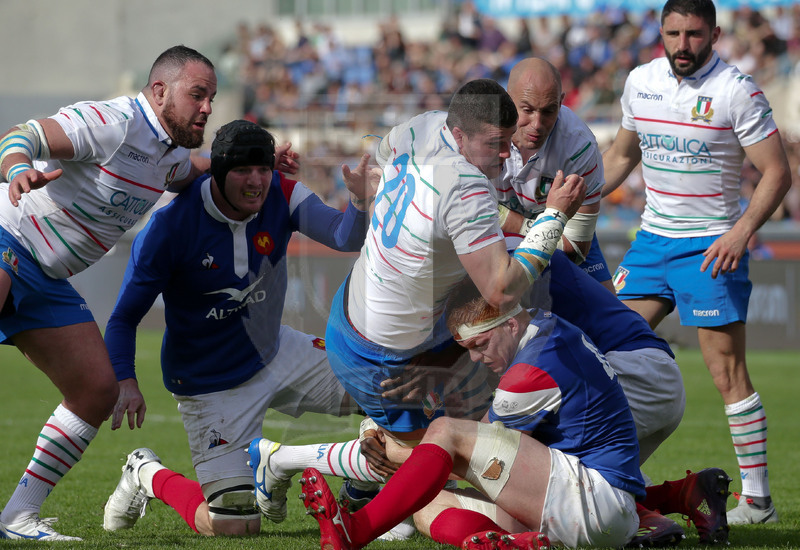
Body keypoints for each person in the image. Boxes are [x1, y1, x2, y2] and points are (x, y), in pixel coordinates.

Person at [247, 78, 586, 525]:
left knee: (461, 437)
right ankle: (281, 459)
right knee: (435, 469)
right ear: (460, 135)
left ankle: (370, 467)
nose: (506, 155)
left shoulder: (419, 128)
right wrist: (553, 217)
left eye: (508, 143)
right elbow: (500, 289)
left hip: (370, 314)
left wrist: (371, 191)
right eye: (495, 144)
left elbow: (383, 159)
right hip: (386, 355)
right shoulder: (467, 188)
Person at [99, 119, 372, 537]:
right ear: (218, 173)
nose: (257, 181)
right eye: (244, 170)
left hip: (276, 351)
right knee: (234, 524)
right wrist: (126, 380)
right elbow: (122, 318)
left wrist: (357, 201)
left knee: (384, 386)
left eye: (264, 168)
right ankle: (146, 473)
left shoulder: (282, 193)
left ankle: (359, 486)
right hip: (208, 385)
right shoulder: (168, 229)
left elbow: (342, 236)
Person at [0, 45, 220, 541]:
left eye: (211, 97)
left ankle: (17, 517)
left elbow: (186, 174)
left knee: (96, 392)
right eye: (198, 95)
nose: (207, 107)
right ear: (159, 91)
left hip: (48, 276)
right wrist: (19, 169)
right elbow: (20, 136)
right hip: (6, 237)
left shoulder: (171, 151)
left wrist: (245, 160)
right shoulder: (112, 121)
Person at [602, 0, 791, 525]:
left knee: (726, 372)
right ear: (660, 31)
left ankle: (758, 501)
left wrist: (741, 231)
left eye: (694, 34)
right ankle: (612, 476)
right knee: (602, 351)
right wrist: (572, 196)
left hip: (711, 246)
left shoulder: (737, 90)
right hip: (651, 243)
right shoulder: (640, 81)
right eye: (674, 33)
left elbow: (776, 173)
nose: (683, 45)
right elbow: (621, 155)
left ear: (714, 33)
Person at [299, 284, 646, 549]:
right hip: (582, 499)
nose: (477, 358)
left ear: (510, 324)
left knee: (444, 433)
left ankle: (356, 530)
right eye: (469, 350)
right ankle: (515, 545)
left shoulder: (529, 373)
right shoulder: (543, 326)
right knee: (426, 506)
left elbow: (460, 451)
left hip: (594, 501)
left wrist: (380, 436)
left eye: (481, 345)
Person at [494, 57, 615, 292]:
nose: (537, 124)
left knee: (615, 323)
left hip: (561, 233)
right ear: (507, 100)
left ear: (561, 102)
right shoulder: (479, 131)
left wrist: (501, 217)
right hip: (510, 234)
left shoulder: (580, 146)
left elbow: (575, 248)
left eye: (549, 111)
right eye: (527, 110)